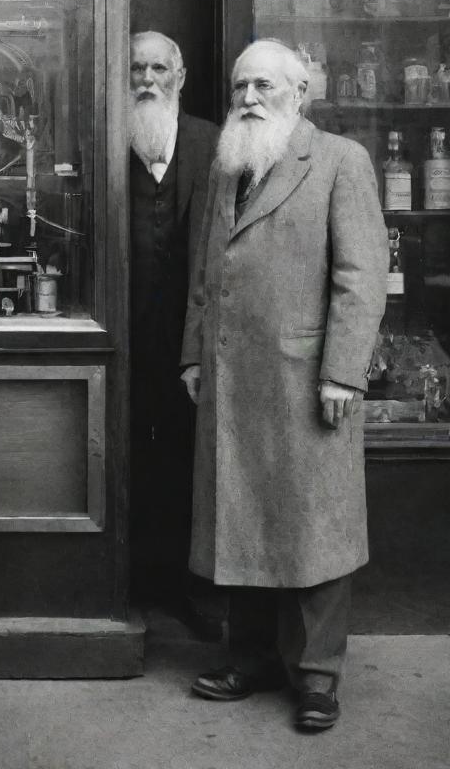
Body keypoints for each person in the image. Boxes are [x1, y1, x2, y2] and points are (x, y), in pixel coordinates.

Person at [180, 39, 387, 731]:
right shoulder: (228, 165)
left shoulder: (339, 162)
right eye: (241, 86)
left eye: (265, 86)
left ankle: (318, 679)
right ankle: (250, 658)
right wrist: (192, 355)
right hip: (233, 379)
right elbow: (206, 272)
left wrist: (342, 373)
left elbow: (361, 279)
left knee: (315, 528)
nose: (248, 99)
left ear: (301, 93)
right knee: (240, 519)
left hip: (307, 382)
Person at [127, 31, 218, 630]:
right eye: (137, 67)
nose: (147, 79)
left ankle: (195, 591)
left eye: (160, 67)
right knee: (127, 450)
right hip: (125, 333)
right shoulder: (106, 138)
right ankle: (130, 582)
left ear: (180, 78)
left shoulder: (215, 145)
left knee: (192, 459)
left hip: (192, 336)